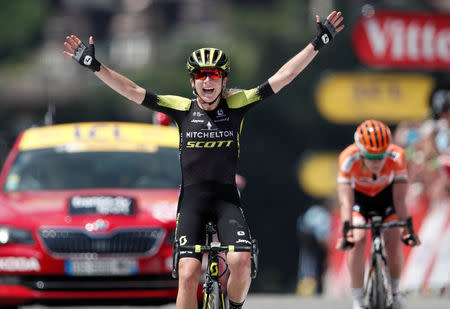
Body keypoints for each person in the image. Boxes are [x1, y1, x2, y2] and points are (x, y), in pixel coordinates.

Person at [63, 11, 344, 309]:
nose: (207, 81)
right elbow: (132, 91)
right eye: (200, 75)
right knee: (187, 275)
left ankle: (233, 305)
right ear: (192, 81)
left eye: (214, 75)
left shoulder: (237, 104)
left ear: (224, 80)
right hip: (193, 202)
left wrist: (318, 42)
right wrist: (95, 66)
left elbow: (283, 77)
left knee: (240, 261)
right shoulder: (182, 109)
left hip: (226, 200)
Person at [336, 120, 421, 309]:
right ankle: (358, 298)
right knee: (356, 241)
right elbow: (346, 200)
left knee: (392, 239)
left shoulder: (397, 156)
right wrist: (346, 229)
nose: (376, 162)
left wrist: (407, 229)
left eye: (380, 156)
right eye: (370, 157)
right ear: (360, 151)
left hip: (387, 199)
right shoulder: (348, 158)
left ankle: (396, 292)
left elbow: (399, 199)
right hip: (359, 201)